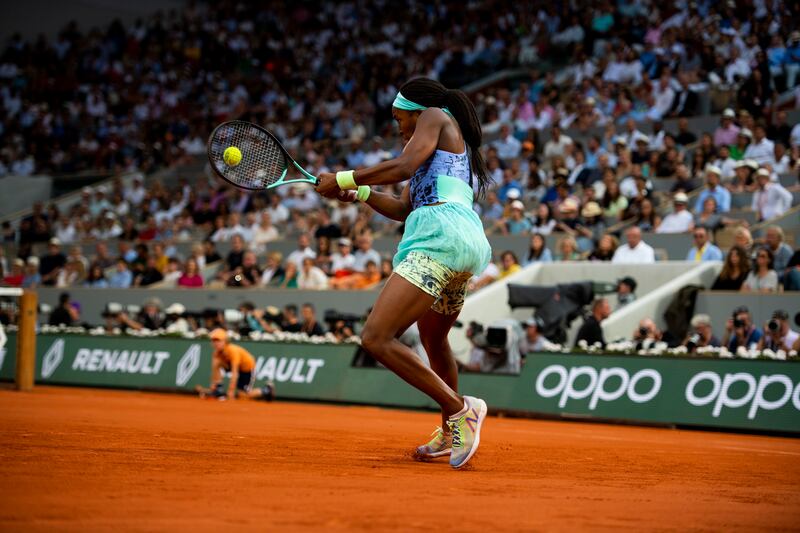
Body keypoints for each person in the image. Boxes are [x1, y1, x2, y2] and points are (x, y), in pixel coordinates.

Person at [315, 78, 489, 468]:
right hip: (464, 242)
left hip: (439, 238)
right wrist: (358, 193)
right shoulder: (439, 149)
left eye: (399, 119)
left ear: (415, 111)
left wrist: (344, 177)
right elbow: (401, 208)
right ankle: (451, 430)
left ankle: (459, 410)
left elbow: (403, 166)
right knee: (434, 339)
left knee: (376, 337)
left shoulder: (434, 115)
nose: (399, 127)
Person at [199, 328, 275, 401]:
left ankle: (267, 390)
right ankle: (218, 388)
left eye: (218, 340)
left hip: (247, 368)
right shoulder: (216, 353)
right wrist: (213, 386)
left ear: (225, 341)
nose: (215, 343)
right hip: (236, 367)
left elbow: (234, 373)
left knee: (243, 395)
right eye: (213, 341)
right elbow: (214, 370)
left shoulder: (233, 351)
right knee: (216, 363)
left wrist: (231, 391)